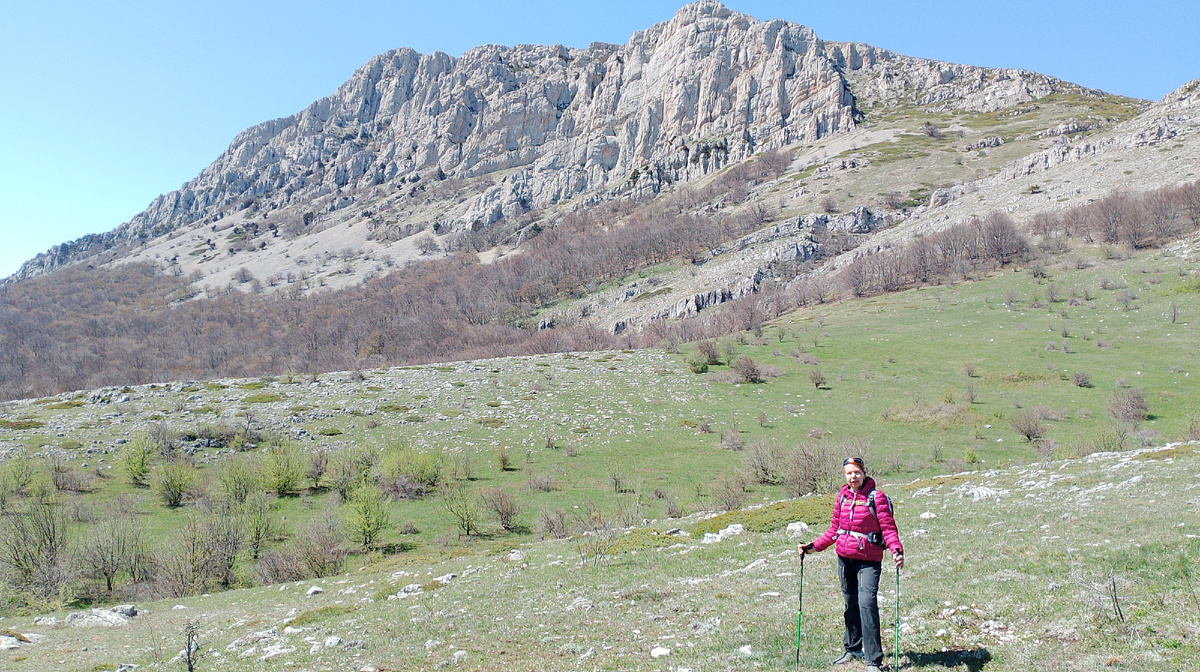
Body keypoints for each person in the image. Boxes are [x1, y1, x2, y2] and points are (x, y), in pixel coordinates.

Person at [798, 457, 903, 672]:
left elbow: (888, 529)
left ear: (864, 473)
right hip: (845, 559)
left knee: (867, 605)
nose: (853, 477)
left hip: (869, 562)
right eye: (849, 473)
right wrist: (812, 547)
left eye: (857, 472)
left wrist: (896, 550)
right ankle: (853, 648)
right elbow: (834, 530)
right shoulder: (843, 497)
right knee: (851, 604)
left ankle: (873, 661)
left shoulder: (876, 497)